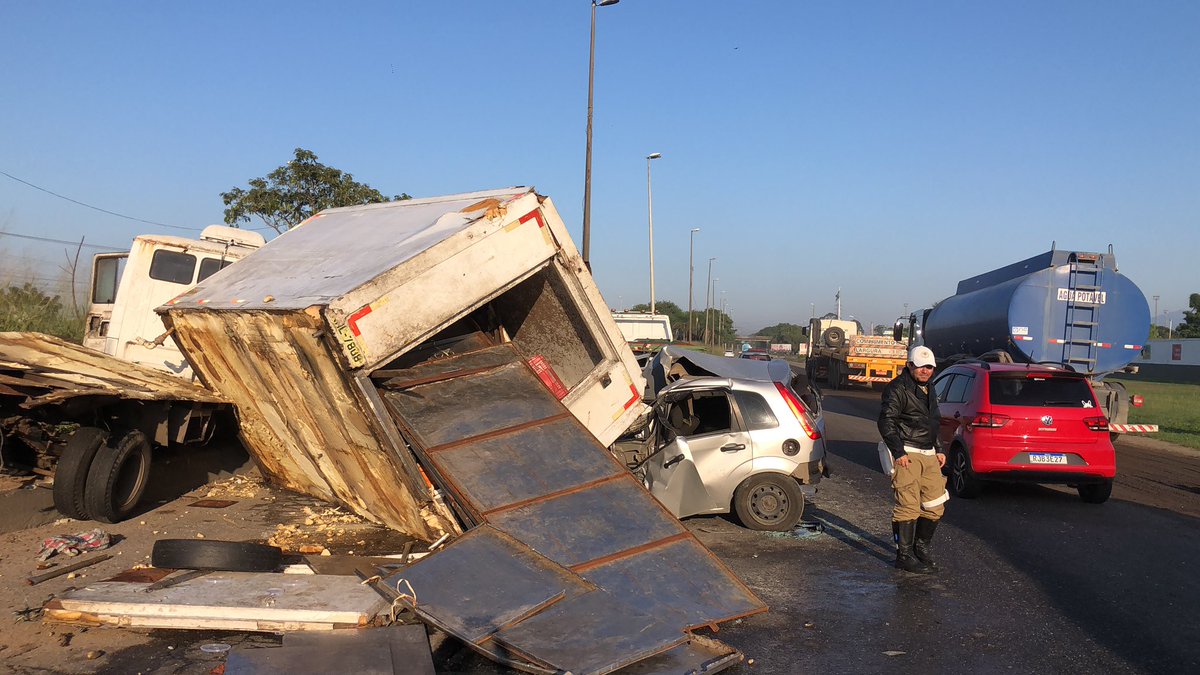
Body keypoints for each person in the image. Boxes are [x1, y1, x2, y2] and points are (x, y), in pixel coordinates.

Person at [877, 345, 949, 574]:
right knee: (908, 506)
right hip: (907, 452)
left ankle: (920, 548)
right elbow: (886, 421)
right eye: (920, 366)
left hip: (928, 452)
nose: (925, 371)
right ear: (909, 365)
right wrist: (898, 452)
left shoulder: (930, 387)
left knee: (935, 504)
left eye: (929, 367)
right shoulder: (897, 388)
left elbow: (933, 421)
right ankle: (904, 555)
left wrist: (939, 448)